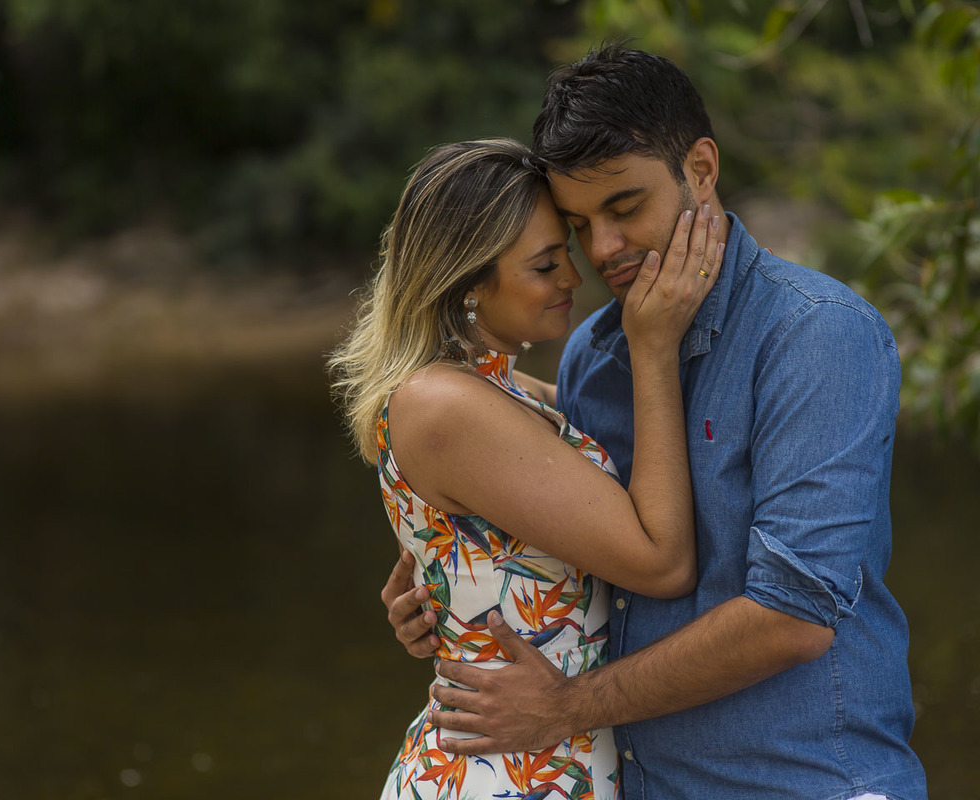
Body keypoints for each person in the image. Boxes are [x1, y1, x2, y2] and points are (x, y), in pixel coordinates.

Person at [381, 44, 927, 800]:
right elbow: (571, 534)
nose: (601, 250)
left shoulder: (818, 334)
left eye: (625, 207)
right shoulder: (596, 357)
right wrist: (449, 582)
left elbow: (792, 618)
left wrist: (566, 708)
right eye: (577, 224)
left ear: (700, 169)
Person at [329, 137, 723, 799]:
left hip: (544, 764)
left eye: (565, 250)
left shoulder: (505, 395)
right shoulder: (444, 405)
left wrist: (439, 588)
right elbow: (662, 562)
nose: (575, 276)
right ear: (468, 285)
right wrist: (652, 346)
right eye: (546, 265)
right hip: (500, 774)